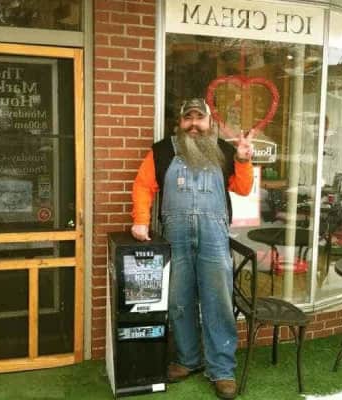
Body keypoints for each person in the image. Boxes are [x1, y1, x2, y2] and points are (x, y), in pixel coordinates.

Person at [131, 98, 254, 399]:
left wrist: (243, 160)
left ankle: (222, 369)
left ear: (210, 122)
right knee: (178, 299)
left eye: (200, 118)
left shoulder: (225, 151)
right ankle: (188, 359)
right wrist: (141, 220)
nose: (194, 125)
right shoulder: (162, 151)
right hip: (176, 238)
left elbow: (243, 188)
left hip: (214, 237)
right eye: (189, 118)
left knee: (218, 302)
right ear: (180, 122)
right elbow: (143, 186)